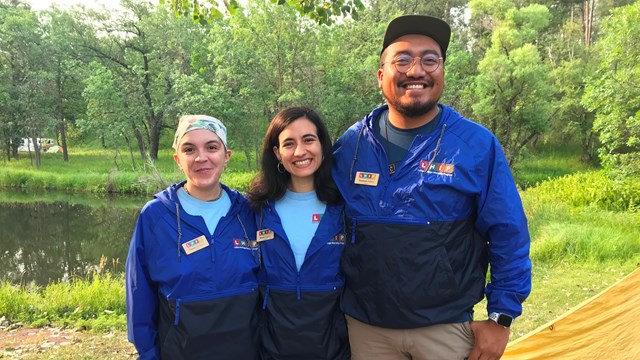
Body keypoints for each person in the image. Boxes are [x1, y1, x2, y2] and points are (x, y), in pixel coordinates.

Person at [332, 15, 532, 360]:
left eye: (430, 60)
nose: (417, 70)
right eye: (403, 59)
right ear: (381, 76)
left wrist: (501, 317)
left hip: (446, 329)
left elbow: (508, 231)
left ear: (441, 73)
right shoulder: (351, 145)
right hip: (366, 328)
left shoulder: (475, 144)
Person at [126, 115, 260, 360]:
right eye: (189, 149)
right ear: (178, 159)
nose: (201, 158)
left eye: (211, 147)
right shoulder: (155, 216)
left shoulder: (249, 211)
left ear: (226, 155)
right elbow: (139, 297)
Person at [247, 106, 349, 359]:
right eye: (289, 143)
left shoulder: (346, 205)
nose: (300, 151)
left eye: (309, 140)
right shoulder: (256, 209)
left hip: (333, 346)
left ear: (323, 145)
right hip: (272, 345)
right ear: (277, 153)